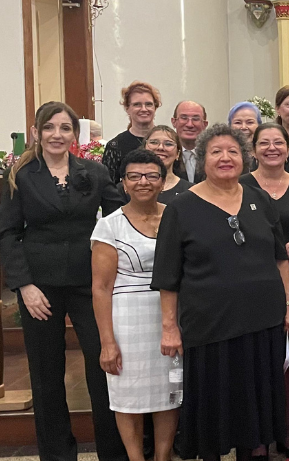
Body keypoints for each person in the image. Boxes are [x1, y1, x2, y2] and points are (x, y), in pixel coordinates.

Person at [151, 123, 289, 461]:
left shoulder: (259, 198)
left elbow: (279, 257)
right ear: (203, 160)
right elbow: (168, 276)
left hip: (262, 321)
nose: (225, 158)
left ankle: (250, 454)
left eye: (233, 151)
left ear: (244, 159)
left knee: (254, 399)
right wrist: (169, 327)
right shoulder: (181, 208)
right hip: (209, 325)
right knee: (213, 402)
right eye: (216, 152)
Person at [0, 101, 127, 461]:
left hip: (91, 283)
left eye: (65, 128)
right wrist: (24, 286)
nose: (57, 135)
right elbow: (8, 235)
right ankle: (57, 455)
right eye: (50, 128)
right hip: (40, 287)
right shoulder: (20, 176)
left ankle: (113, 453)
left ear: (75, 134)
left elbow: (120, 218)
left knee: (103, 366)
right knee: (46, 374)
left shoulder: (94, 172)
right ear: (37, 133)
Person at [91, 149, 178, 461]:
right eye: (135, 176)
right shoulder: (109, 226)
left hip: (170, 316)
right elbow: (101, 288)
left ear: (163, 181)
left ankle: (163, 456)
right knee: (128, 396)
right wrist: (107, 342)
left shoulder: (176, 216)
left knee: (170, 393)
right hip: (127, 319)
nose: (144, 181)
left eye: (152, 175)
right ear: (123, 183)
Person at [240, 123, 289, 459]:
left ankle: (285, 431)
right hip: (251, 285)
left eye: (279, 143)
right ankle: (256, 437)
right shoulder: (240, 186)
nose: (272, 148)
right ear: (253, 149)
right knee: (254, 361)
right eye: (264, 143)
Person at [104, 81, 161, 183]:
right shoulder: (115, 146)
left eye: (148, 104)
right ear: (127, 108)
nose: (144, 109)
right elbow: (109, 187)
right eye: (137, 104)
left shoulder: (167, 141)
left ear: (155, 107)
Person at [138, 126, 193, 203]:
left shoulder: (191, 191)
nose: (160, 148)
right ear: (144, 148)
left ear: (178, 154)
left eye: (168, 144)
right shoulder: (129, 187)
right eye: (154, 142)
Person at [170, 101, 209, 183]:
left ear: (205, 124)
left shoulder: (212, 155)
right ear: (174, 122)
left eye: (196, 119)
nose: (190, 125)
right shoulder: (167, 155)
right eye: (184, 118)